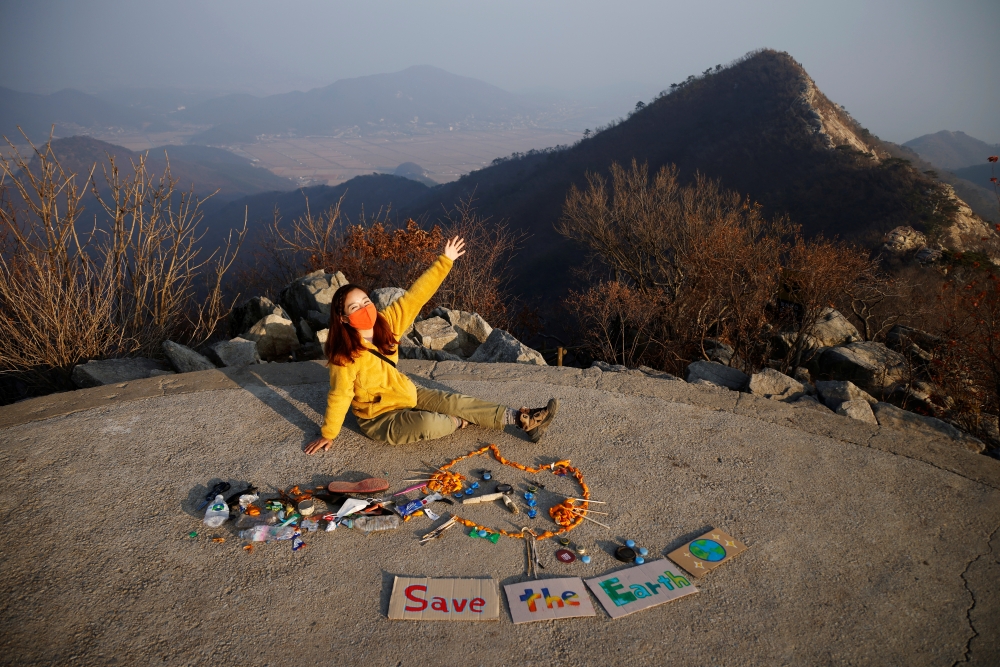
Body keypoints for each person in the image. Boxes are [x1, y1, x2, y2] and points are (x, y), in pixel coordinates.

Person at [304, 236, 557, 455]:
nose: (365, 309)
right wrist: (329, 433)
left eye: (366, 301)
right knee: (428, 423)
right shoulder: (345, 356)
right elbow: (340, 395)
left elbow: (416, 296)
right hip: (379, 418)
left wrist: (444, 260)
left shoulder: (386, 323)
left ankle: (523, 420)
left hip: (405, 391)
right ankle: (457, 423)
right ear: (343, 318)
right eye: (354, 307)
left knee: (458, 401)